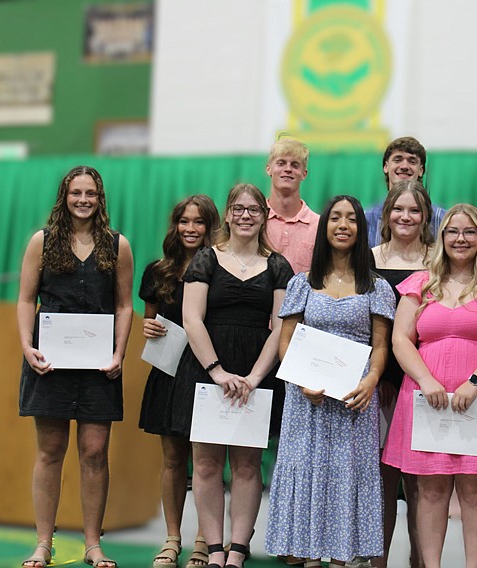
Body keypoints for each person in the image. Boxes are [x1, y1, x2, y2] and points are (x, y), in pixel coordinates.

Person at [382, 203, 477, 568]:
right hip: (426, 398)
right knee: (430, 489)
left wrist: (475, 382)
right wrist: (425, 379)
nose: (460, 239)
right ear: (441, 236)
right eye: (452, 232)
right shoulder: (419, 283)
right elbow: (401, 339)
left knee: (476, 490)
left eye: (469, 232)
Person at [266, 195, 396, 567]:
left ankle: (340, 556)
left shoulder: (377, 287)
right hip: (306, 399)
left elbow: (381, 347)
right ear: (324, 228)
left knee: (345, 475)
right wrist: (302, 381)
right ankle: (303, 554)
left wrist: (371, 380)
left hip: (352, 401)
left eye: (351, 219)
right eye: (335, 218)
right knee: (304, 471)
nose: (343, 225)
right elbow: (286, 340)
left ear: (361, 228)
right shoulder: (301, 284)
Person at [17, 165, 133, 568]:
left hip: (100, 366)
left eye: (91, 194)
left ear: (100, 199)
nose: (83, 200)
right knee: (50, 451)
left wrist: (120, 353)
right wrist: (27, 346)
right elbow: (25, 300)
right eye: (76, 193)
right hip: (48, 362)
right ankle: (43, 544)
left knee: (95, 451)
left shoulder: (117, 245)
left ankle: (92, 545)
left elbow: (123, 304)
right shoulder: (42, 241)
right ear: (64, 197)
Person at [176, 183, 294, 568]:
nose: (246, 215)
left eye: (254, 209)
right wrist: (217, 371)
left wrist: (256, 377)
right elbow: (192, 319)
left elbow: (280, 328)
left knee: (247, 464)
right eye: (238, 209)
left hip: (257, 373)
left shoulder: (278, 265)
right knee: (206, 464)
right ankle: (212, 549)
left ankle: (238, 548)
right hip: (208, 369)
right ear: (227, 215)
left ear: (264, 216)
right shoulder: (206, 260)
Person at [138, 195, 220, 568]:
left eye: (199, 222)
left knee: (208, 462)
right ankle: (172, 538)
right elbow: (149, 321)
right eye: (184, 221)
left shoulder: (222, 269)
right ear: (175, 226)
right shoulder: (158, 271)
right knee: (172, 458)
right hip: (169, 374)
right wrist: (148, 326)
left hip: (208, 373)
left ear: (211, 227)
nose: (190, 228)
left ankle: (206, 540)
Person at [370, 179, 434, 568]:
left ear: (425, 216)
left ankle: (420, 561)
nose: (405, 217)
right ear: (386, 214)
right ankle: (377, 562)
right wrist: (375, 379)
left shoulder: (438, 260)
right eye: (398, 209)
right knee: (382, 480)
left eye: (413, 210)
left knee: (420, 481)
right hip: (376, 381)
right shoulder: (369, 259)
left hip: (422, 379)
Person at [365, 136, 446, 246]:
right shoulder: (367, 219)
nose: (404, 166)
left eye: (412, 161)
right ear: (386, 167)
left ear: (421, 170)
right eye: (398, 160)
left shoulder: (442, 220)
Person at [264, 137, 319, 274]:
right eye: (281, 163)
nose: (288, 169)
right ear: (269, 169)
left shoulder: (319, 225)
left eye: (295, 165)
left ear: (304, 174)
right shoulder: (254, 220)